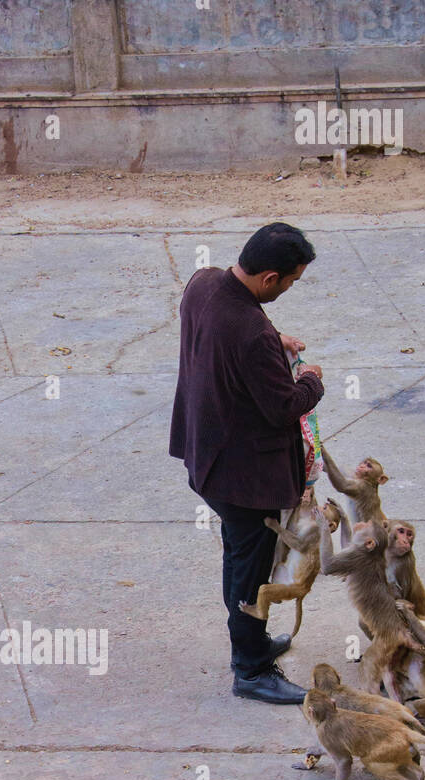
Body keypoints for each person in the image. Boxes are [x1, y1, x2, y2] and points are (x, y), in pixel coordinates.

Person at [170, 222, 325, 704]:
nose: (290, 288)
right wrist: (313, 382)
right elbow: (284, 406)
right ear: (269, 278)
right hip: (244, 477)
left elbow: (230, 340)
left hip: (205, 453)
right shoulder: (252, 332)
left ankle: (251, 640)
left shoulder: (204, 282)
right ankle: (252, 670)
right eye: (291, 281)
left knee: (240, 556)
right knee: (251, 572)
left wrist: (275, 340)